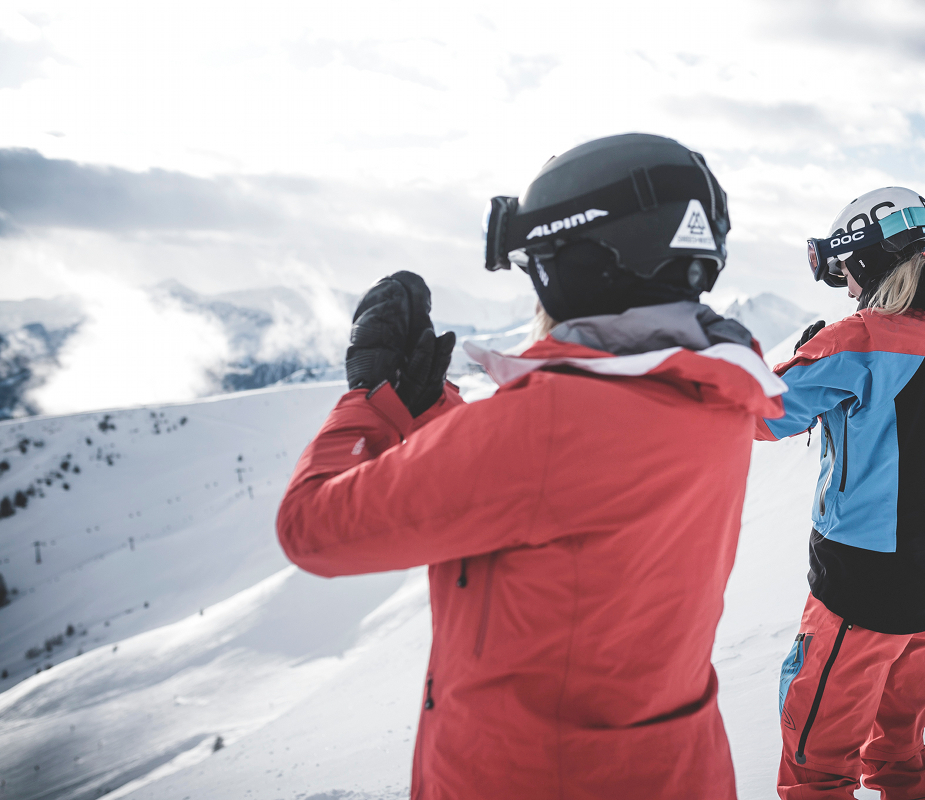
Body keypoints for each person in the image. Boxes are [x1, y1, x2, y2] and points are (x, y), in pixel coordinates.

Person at [277, 133, 786, 800]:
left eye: (535, 261)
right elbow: (548, 499)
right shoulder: (713, 391)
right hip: (671, 770)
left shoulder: (551, 423)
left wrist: (368, 399)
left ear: (576, 262)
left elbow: (313, 528)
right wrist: (433, 415)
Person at [760, 187, 925, 799]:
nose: (846, 290)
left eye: (844, 273)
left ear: (864, 263)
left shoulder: (862, 338)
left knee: (816, 769)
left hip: (859, 594)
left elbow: (757, 416)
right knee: (898, 757)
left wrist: (808, 356)